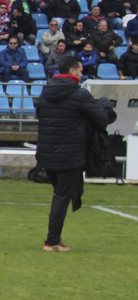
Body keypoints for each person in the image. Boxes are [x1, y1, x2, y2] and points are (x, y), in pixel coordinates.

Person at [36, 56, 116, 251]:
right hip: (70, 155)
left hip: (48, 154)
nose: (81, 74)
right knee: (62, 197)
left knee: (60, 194)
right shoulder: (79, 94)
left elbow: (40, 115)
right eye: (80, 70)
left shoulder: (45, 92)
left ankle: (55, 236)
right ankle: (51, 241)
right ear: (72, 71)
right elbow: (102, 120)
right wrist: (105, 105)